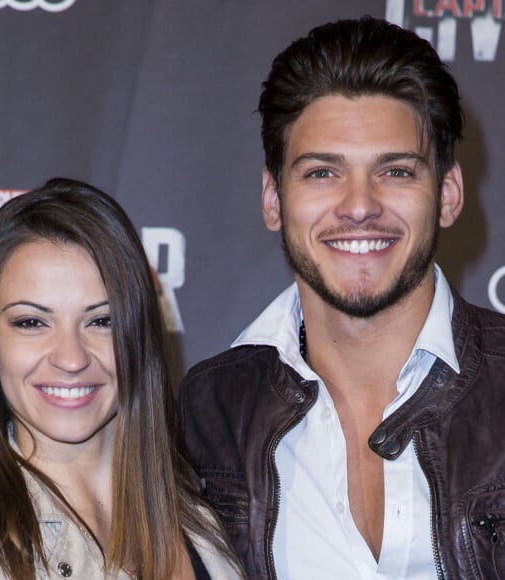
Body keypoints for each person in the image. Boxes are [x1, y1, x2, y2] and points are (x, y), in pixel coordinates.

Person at [178, 16, 505, 580]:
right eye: (323, 172)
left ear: (448, 195)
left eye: (396, 171)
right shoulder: (208, 412)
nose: (359, 205)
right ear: (273, 198)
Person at [0, 178, 244, 580]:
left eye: (101, 321)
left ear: (138, 335)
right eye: (31, 322)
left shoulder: (202, 525)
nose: (71, 358)